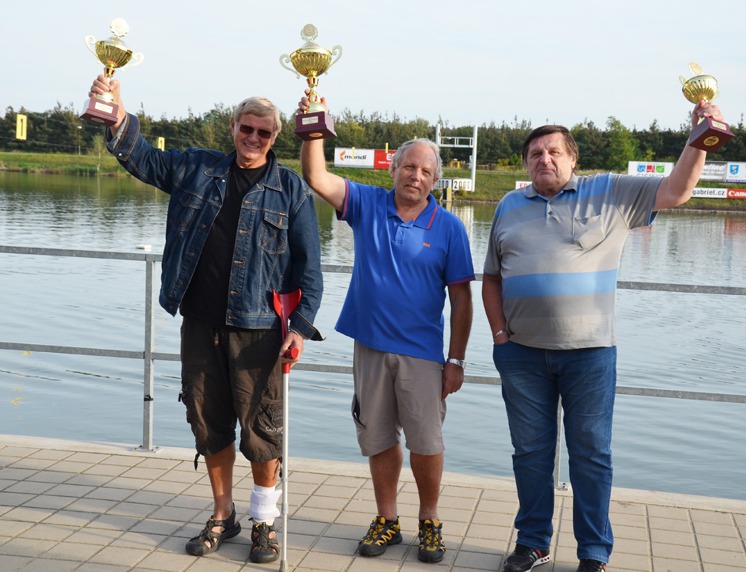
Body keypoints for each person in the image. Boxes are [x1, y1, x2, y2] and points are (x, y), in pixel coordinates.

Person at [88, 74, 323, 564]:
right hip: (198, 324)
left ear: (275, 137)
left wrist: (297, 330)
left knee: (261, 430)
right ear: (233, 127)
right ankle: (223, 514)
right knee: (207, 422)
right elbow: (144, 158)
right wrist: (115, 107)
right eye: (246, 129)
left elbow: (311, 274)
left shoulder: (292, 191)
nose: (253, 138)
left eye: (263, 132)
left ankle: (264, 522)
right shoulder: (196, 167)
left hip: (260, 330)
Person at [483, 100, 726, 572]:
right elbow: (491, 277)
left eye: (554, 151)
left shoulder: (611, 193)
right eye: (535, 154)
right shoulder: (509, 205)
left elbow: (678, 191)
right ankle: (532, 543)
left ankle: (594, 553)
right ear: (525, 164)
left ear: (573, 159)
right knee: (529, 453)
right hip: (521, 355)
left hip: (590, 355)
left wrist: (699, 137)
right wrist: (498, 335)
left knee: (591, 454)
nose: (544, 159)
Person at [298, 94, 474, 564]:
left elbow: (462, 301)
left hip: (423, 355)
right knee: (377, 438)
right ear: (392, 169)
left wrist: (455, 360)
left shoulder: (451, 228)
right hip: (370, 347)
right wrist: (313, 128)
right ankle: (387, 520)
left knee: (426, 443)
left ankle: (430, 521)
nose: (415, 176)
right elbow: (316, 177)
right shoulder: (367, 205)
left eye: (425, 171)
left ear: (435, 180)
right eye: (408, 166)